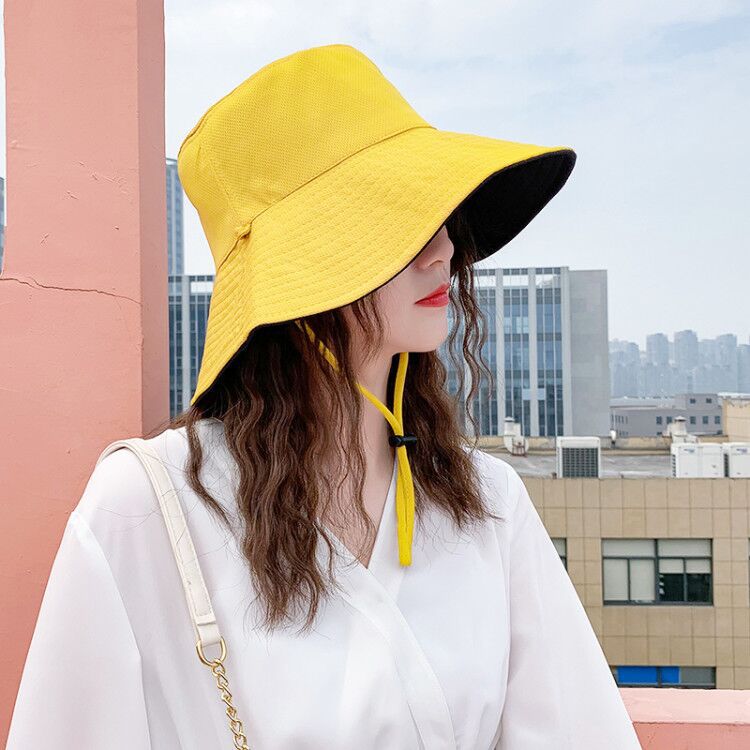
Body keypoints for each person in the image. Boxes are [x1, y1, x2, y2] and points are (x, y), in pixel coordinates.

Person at [7, 43, 642, 749]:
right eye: (393, 223)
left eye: (438, 216)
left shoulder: (487, 504)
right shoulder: (144, 509)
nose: (441, 250)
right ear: (295, 275)